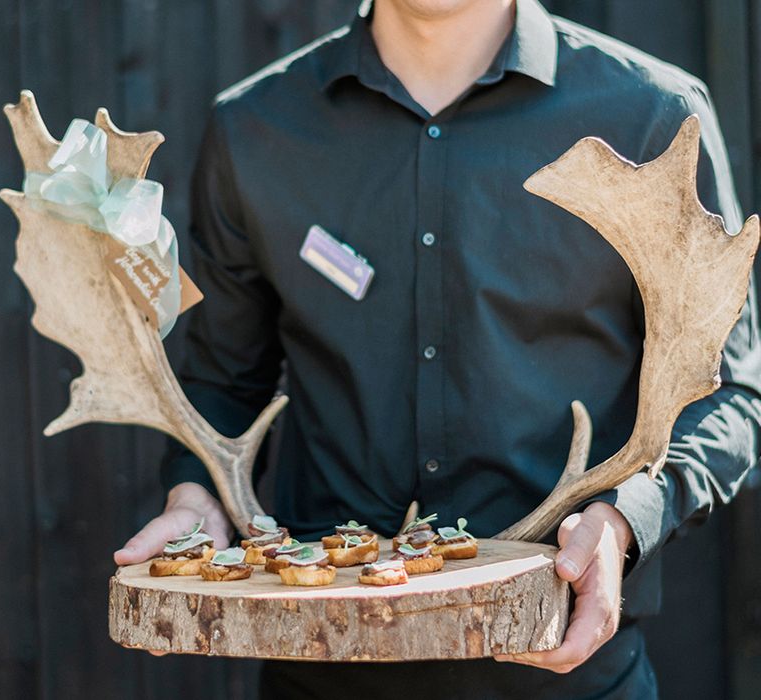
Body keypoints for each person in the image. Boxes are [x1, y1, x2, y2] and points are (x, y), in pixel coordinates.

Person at [114, 0, 761, 697]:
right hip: (319, 674)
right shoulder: (255, 128)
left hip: (566, 676)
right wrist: (195, 495)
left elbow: (727, 394)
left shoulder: (652, 117)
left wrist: (624, 519)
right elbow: (221, 381)